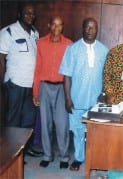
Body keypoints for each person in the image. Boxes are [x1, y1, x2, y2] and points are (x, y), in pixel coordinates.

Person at [59, 17, 108, 171]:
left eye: (93, 28)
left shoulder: (104, 50)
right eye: (87, 27)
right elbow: (66, 75)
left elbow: (108, 75)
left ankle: (96, 159)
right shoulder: (72, 49)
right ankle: (79, 159)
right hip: (77, 98)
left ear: (97, 30)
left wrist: (105, 93)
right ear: (83, 28)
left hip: (97, 100)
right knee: (78, 131)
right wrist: (67, 98)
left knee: (97, 132)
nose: (90, 31)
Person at [0, 2, 42, 157]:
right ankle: (11, 154)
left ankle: (25, 149)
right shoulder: (8, 32)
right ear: (19, 14)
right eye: (27, 13)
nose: (30, 16)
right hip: (15, 84)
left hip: (30, 85)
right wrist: (4, 83)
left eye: (32, 13)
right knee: (13, 121)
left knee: (28, 120)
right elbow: (1, 58)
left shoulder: (35, 33)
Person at [32, 16, 72, 169]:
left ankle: (64, 156)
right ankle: (47, 155)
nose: (56, 28)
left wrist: (70, 94)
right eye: (53, 25)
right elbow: (37, 69)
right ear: (49, 25)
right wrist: (35, 93)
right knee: (45, 123)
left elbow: (71, 72)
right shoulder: (41, 43)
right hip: (44, 87)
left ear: (63, 27)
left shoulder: (69, 44)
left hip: (62, 87)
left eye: (59, 25)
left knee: (62, 124)